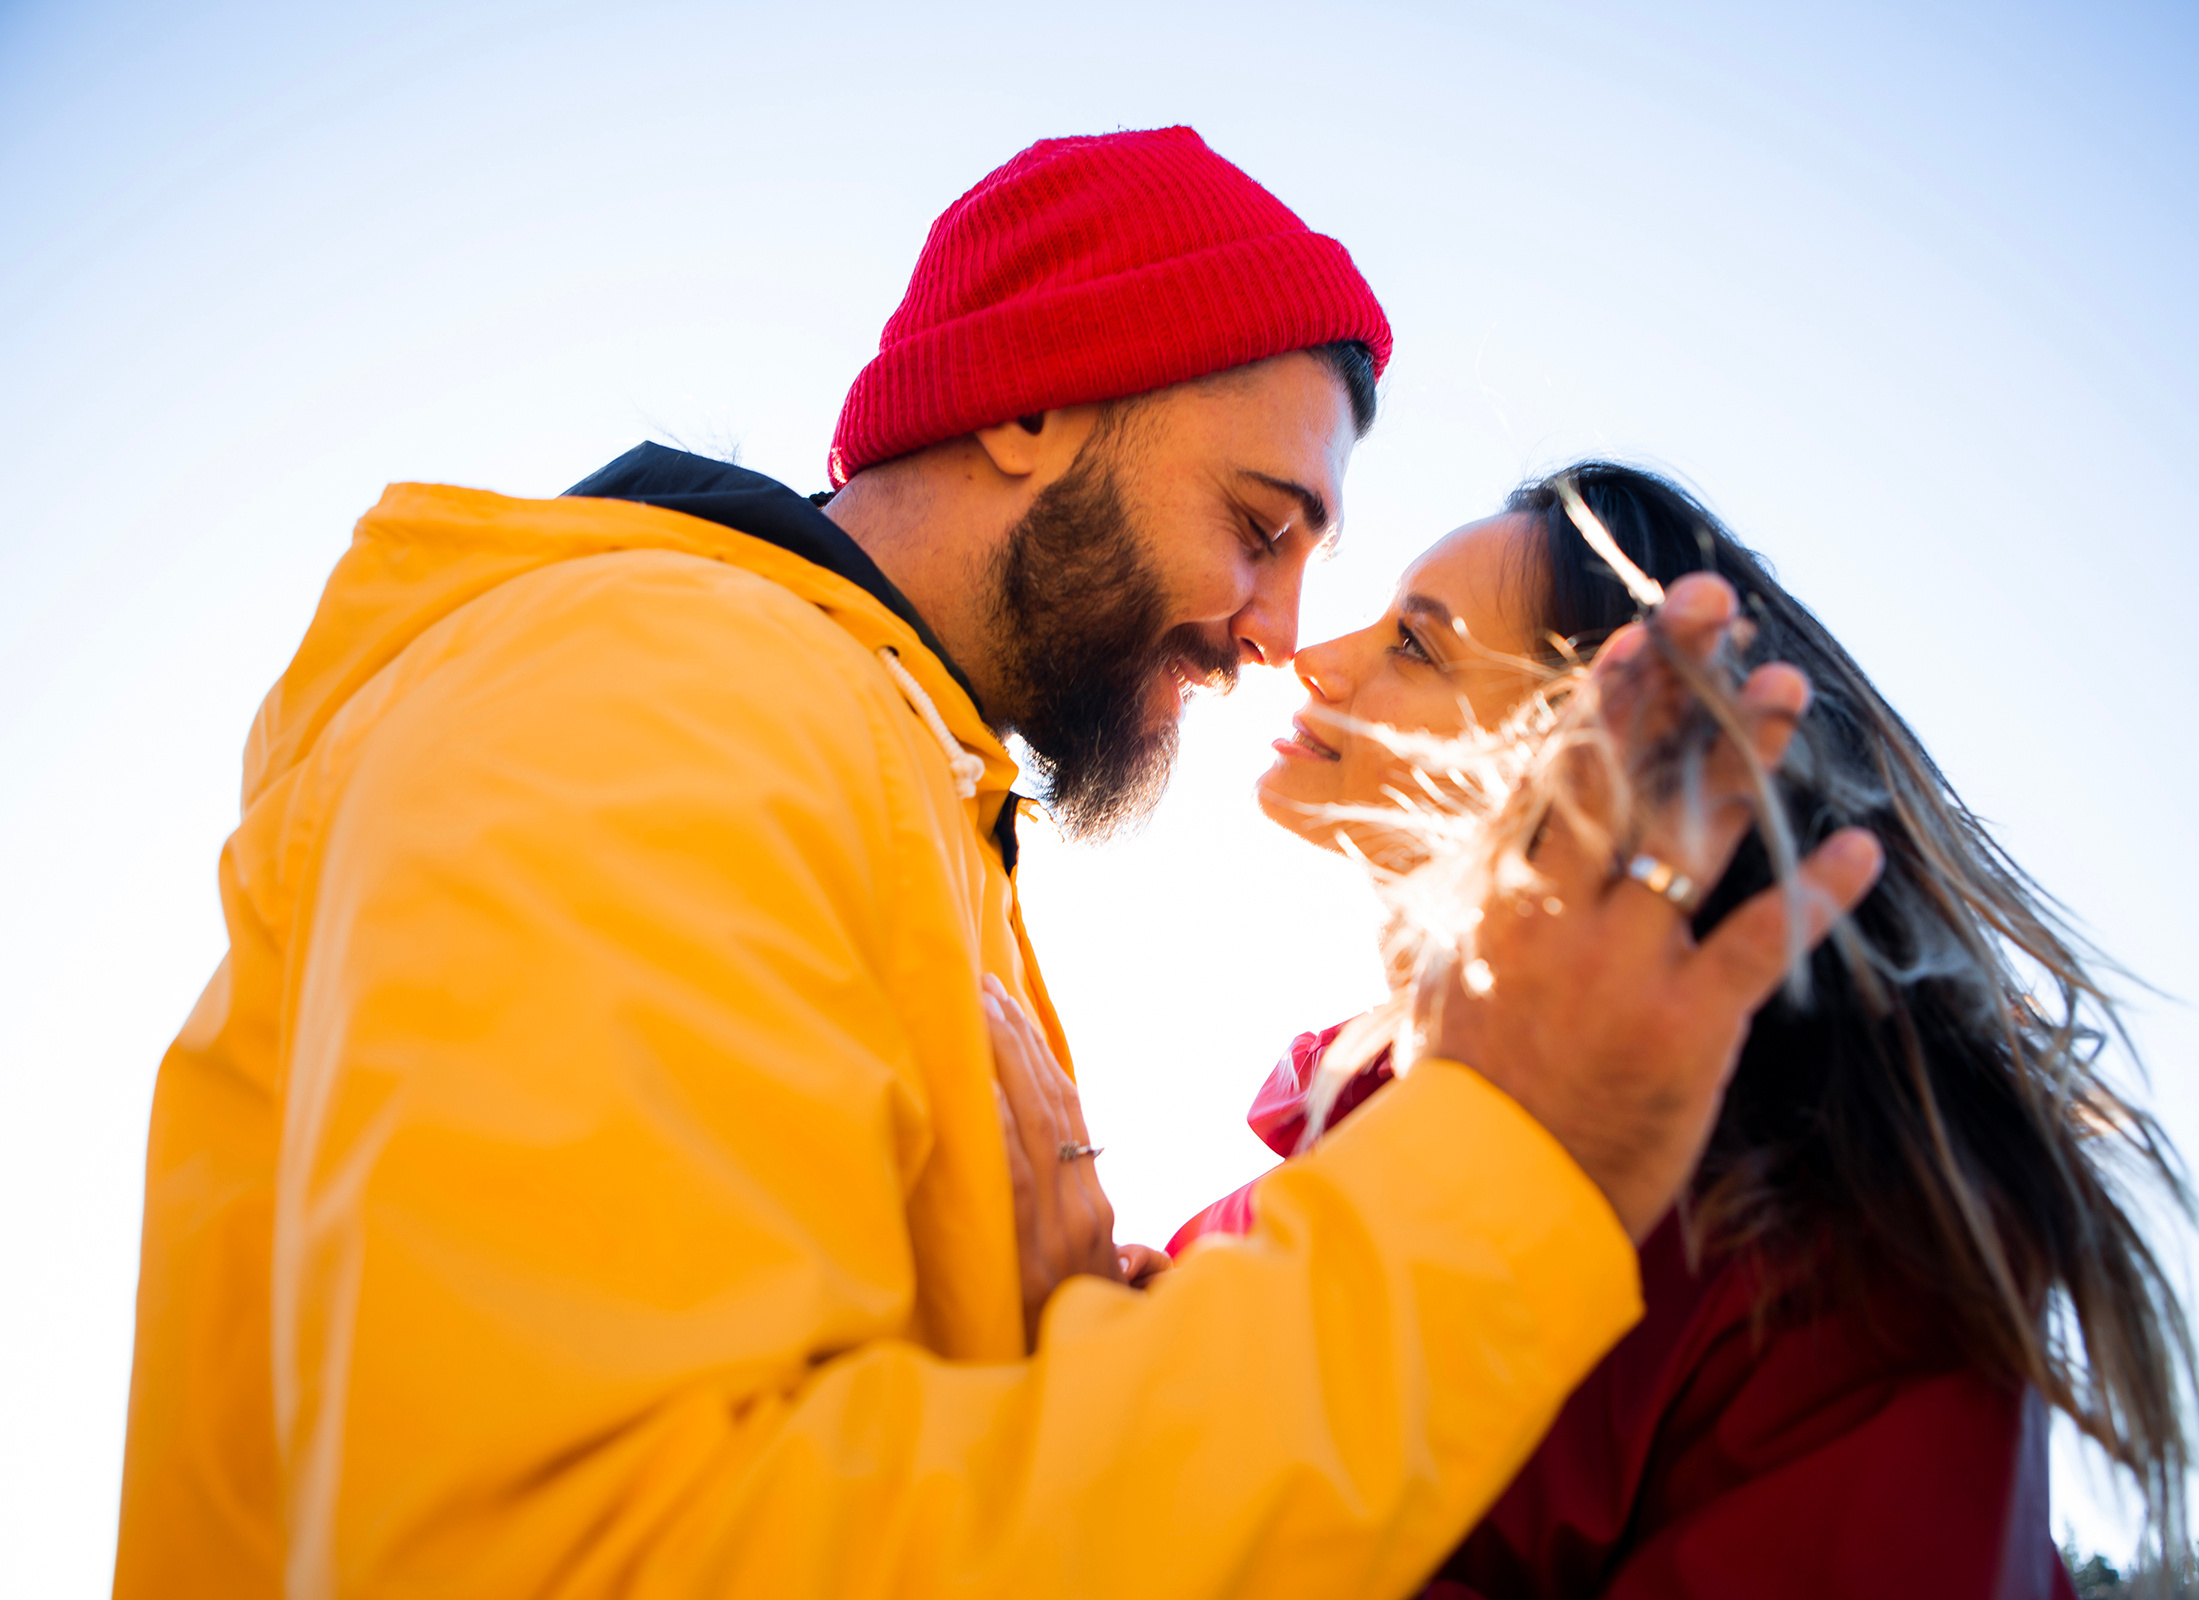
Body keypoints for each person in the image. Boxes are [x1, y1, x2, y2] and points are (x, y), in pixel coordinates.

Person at [112, 130, 1882, 1598]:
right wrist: (1508, 1180)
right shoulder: (661, 686)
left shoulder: (882, 778)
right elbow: (585, 1553)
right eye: (1261, 528)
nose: (1282, 630)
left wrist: (1063, 1348)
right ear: (1032, 405)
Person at [1166, 461, 2199, 1598]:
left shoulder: (1834, 1262)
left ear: (1610, 757)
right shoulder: (1337, 1154)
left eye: (1418, 643)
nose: (1314, 656)